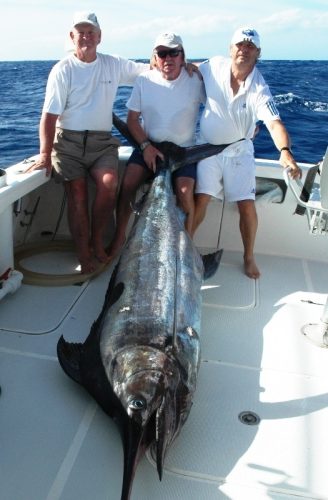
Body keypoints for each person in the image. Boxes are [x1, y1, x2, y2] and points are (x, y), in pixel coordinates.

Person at [24, 12, 149, 274]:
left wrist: (188, 66)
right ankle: (83, 251)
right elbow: (49, 117)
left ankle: (96, 240)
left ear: (100, 37)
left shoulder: (113, 64)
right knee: (77, 194)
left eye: (91, 32)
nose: (86, 37)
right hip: (67, 142)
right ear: (72, 37)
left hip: (101, 142)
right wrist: (45, 155)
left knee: (109, 184)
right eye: (80, 32)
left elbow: (150, 69)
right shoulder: (62, 70)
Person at [192, 27, 302, 279]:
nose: (244, 49)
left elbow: (275, 124)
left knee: (247, 206)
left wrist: (285, 151)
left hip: (239, 151)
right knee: (201, 199)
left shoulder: (259, 88)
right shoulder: (213, 66)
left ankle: (248, 256)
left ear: (258, 53)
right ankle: (183, 249)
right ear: (230, 49)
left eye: (250, 46)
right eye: (240, 45)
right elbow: (189, 68)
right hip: (207, 148)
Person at [107, 33, 205, 259]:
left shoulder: (196, 80)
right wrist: (145, 147)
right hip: (148, 147)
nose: (168, 58)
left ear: (182, 56)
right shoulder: (145, 80)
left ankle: (185, 246)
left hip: (183, 152)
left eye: (173, 52)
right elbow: (132, 120)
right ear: (155, 57)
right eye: (162, 53)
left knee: (184, 192)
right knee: (128, 183)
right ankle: (119, 236)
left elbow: (222, 97)